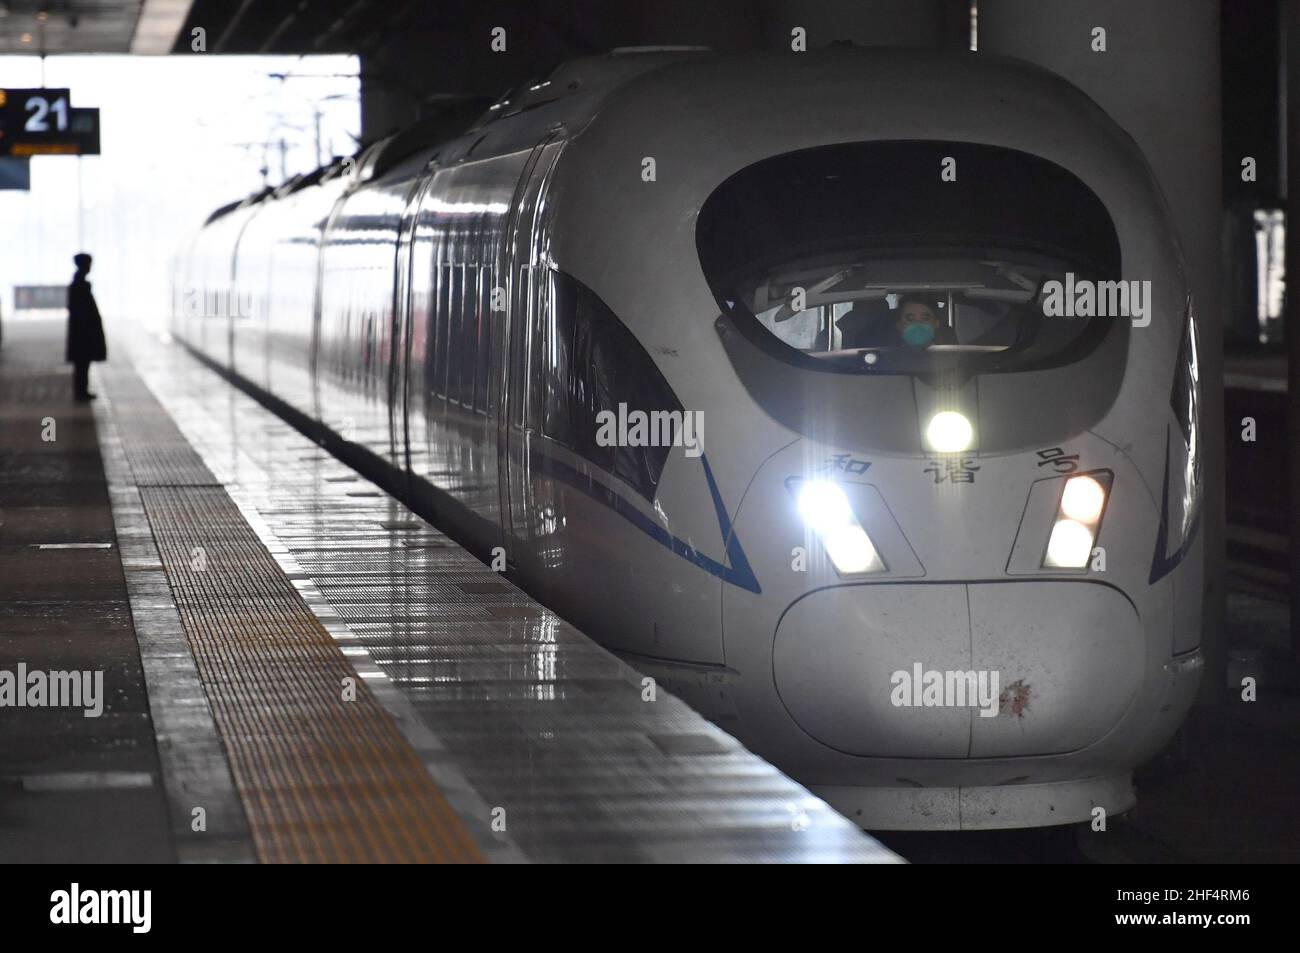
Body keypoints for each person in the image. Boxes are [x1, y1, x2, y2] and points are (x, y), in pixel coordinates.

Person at [66, 252, 107, 401]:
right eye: (89, 264)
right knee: (82, 364)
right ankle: (80, 392)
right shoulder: (80, 285)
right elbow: (81, 311)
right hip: (83, 333)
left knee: (82, 364)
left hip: (81, 332)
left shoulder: (80, 283)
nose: (90, 267)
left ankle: (82, 391)